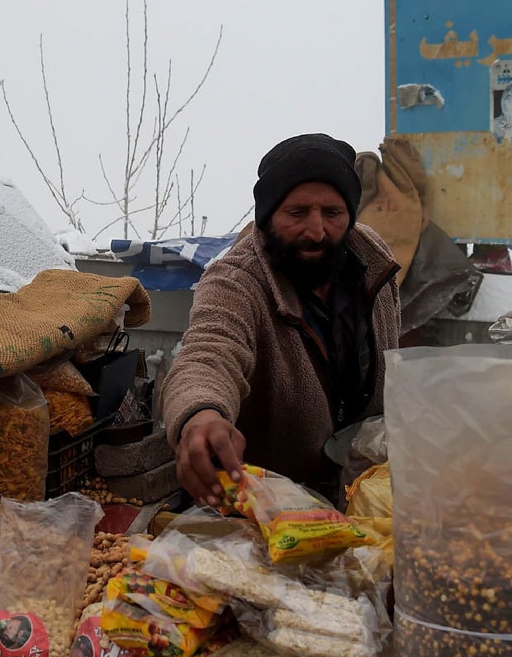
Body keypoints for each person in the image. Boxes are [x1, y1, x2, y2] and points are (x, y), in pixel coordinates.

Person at [163, 134, 400, 508]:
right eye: (297, 213)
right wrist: (201, 413)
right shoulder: (236, 281)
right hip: (273, 505)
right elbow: (208, 354)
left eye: (333, 213)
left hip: (367, 493)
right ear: (268, 215)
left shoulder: (372, 258)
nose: (317, 230)